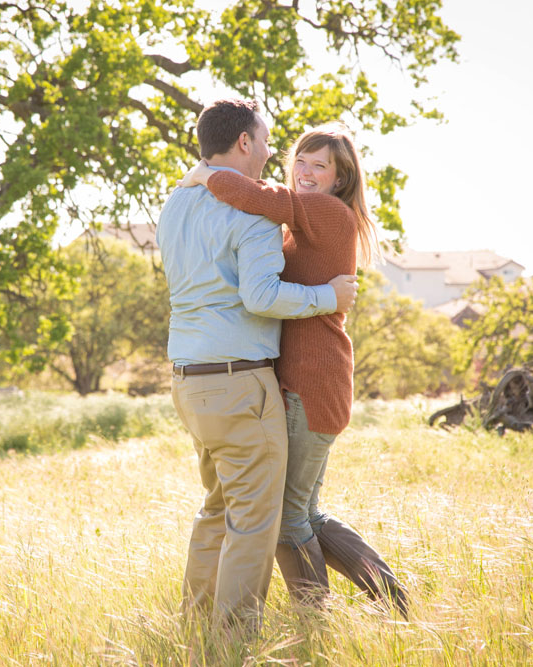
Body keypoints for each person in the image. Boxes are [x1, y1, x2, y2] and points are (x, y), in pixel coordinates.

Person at [178, 122, 409, 616]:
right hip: (307, 380)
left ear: (339, 178)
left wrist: (206, 173)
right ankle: (389, 598)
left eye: (319, 165)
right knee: (301, 511)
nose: (305, 171)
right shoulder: (307, 218)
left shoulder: (325, 211)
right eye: (300, 161)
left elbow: (253, 194)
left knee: (288, 517)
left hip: (313, 382)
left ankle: (315, 616)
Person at [156, 99, 359, 634]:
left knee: (217, 510)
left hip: (186, 379)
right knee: (254, 523)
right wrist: (328, 296)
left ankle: (197, 625)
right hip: (239, 382)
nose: (273, 153)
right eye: (267, 142)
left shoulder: (176, 202)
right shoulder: (255, 210)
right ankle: (235, 638)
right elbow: (261, 296)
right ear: (244, 142)